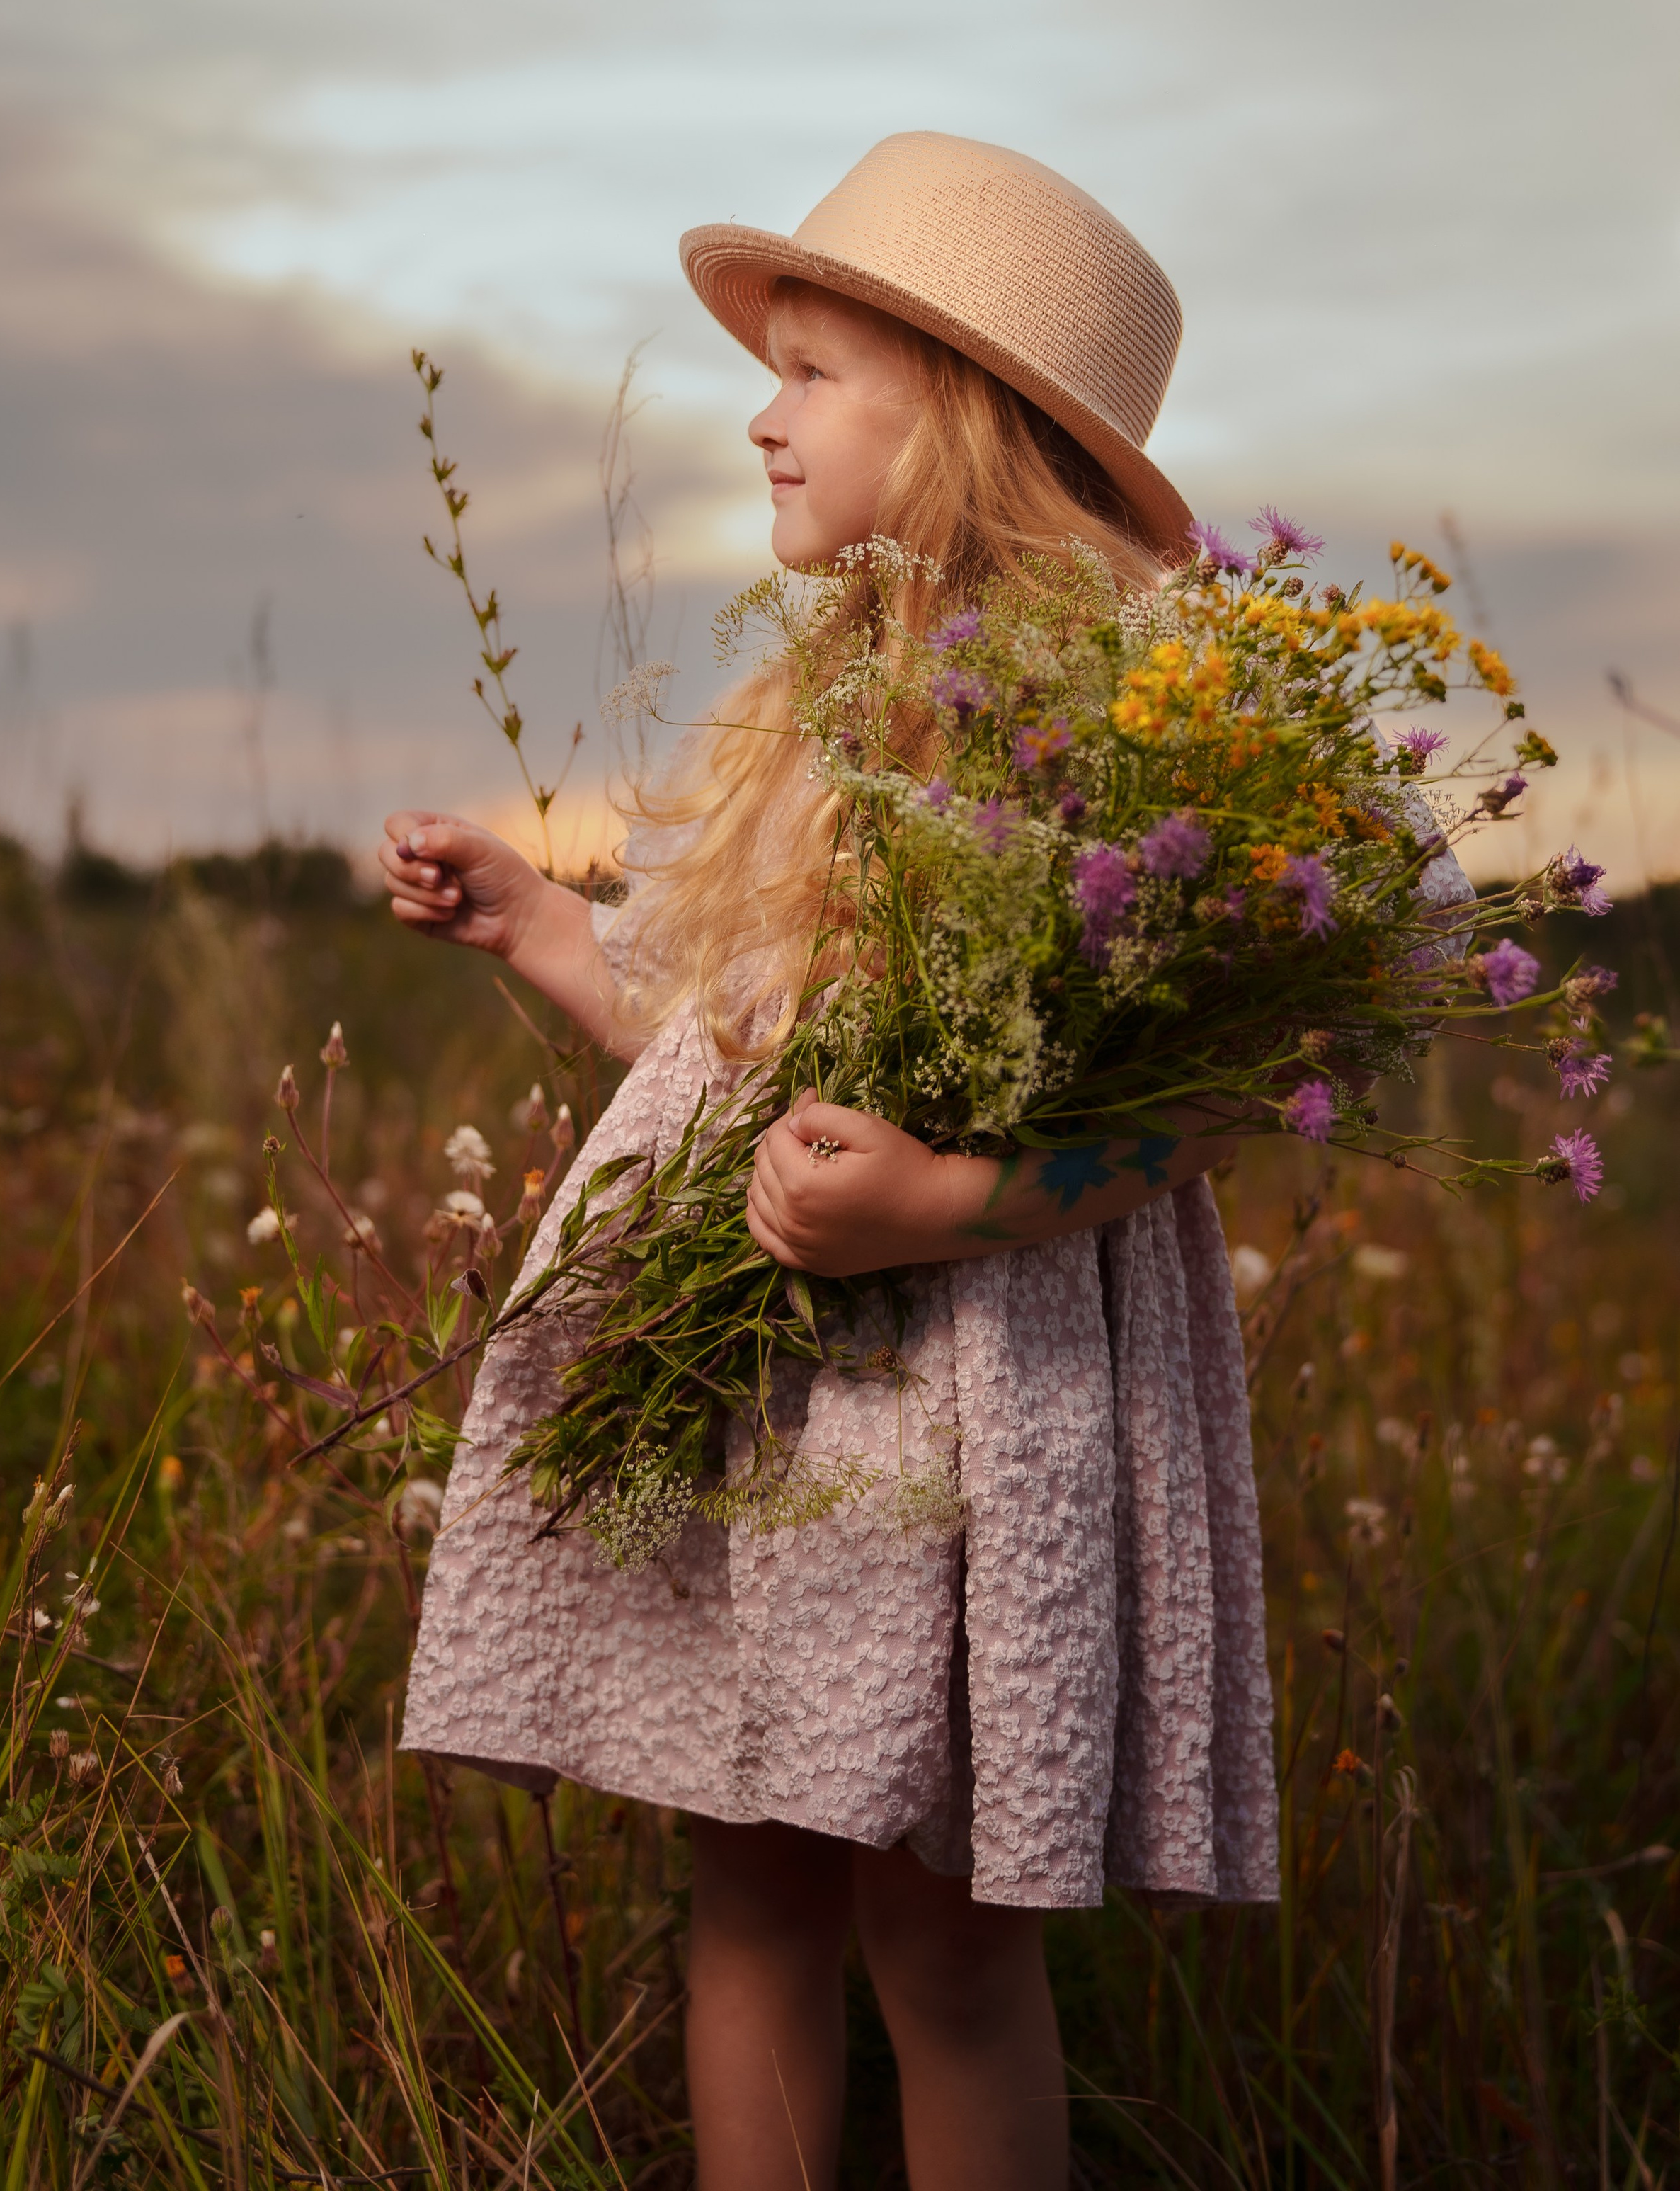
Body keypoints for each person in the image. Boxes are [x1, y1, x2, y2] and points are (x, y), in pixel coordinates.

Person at [384, 134, 1279, 2191]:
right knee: (755, 1893)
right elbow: (731, 1063)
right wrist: (544, 927)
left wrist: (956, 1203)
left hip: (974, 1408)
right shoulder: (812, 713)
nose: (761, 417)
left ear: (959, 421)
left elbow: (1210, 1100)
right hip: (770, 1408)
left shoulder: (1121, 740)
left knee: (943, 1943)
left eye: (810, 375)